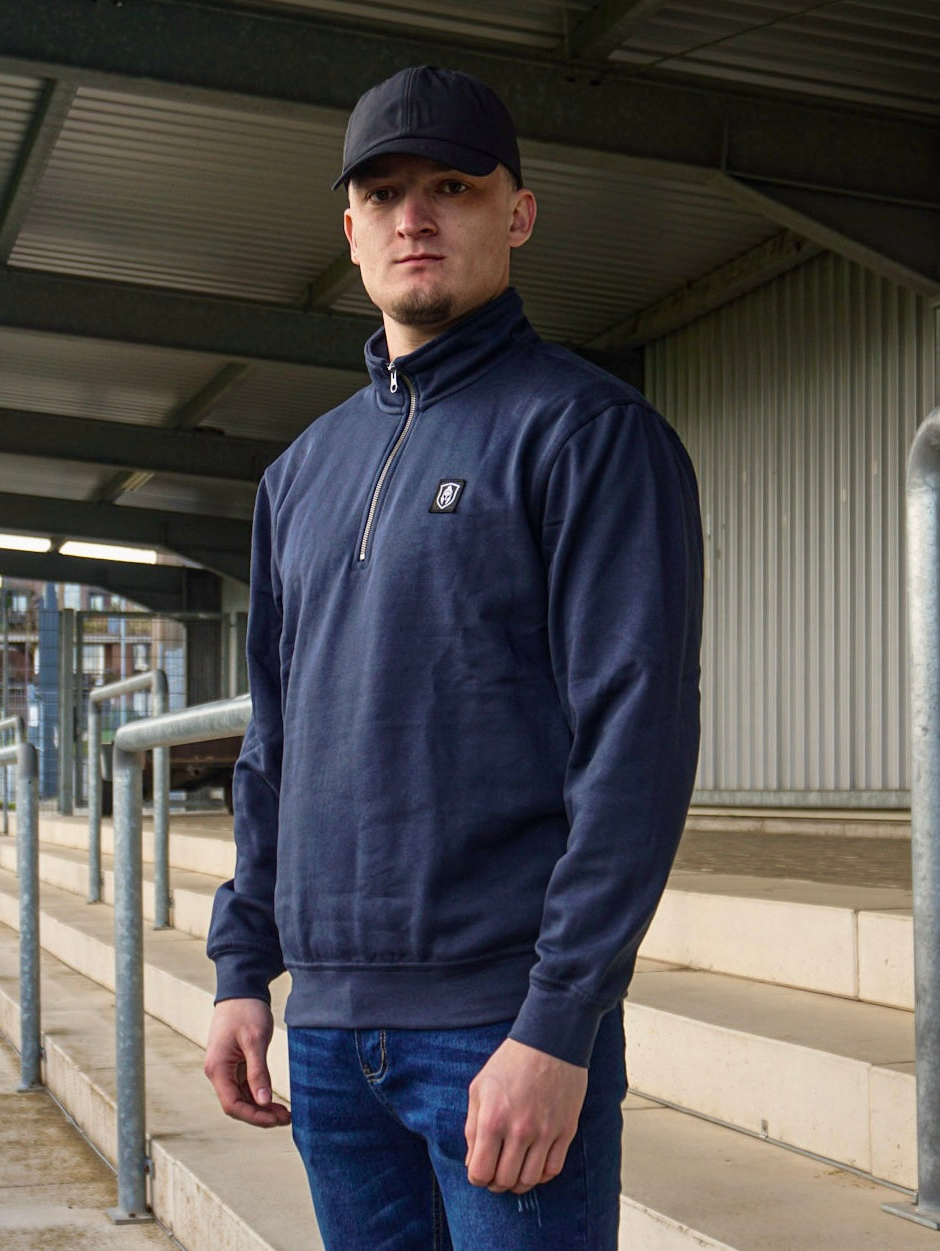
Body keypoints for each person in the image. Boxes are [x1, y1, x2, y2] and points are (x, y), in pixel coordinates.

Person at [205, 64, 703, 1250]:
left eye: (451, 187)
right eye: (381, 194)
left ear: (516, 213)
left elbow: (634, 741)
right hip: (329, 1037)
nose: (412, 218)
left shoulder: (587, 435)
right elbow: (274, 745)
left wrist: (559, 1021)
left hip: (499, 1026)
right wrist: (240, 966)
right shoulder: (298, 475)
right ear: (349, 230)